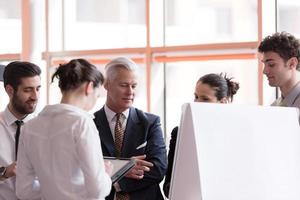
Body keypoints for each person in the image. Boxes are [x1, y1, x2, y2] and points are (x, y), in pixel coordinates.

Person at [16, 59, 112, 200]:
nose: (95, 101)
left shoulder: (30, 126)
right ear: (90, 87)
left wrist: (53, 192)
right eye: (97, 96)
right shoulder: (82, 122)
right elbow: (97, 189)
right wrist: (106, 176)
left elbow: (24, 191)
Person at [94, 57, 167, 200]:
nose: (130, 92)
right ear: (107, 84)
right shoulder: (89, 124)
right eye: (124, 85)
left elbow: (158, 168)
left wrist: (115, 179)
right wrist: (123, 168)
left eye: (134, 86)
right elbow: (87, 169)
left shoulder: (151, 123)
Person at [163, 73, 240, 198]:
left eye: (205, 99)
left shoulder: (235, 136)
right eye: (196, 97)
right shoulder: (179, 133)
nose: (197, 102)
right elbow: (168, 186)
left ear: (223, 102)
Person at [0, 61, 41, 200]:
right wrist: (5, 172)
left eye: (38, 88)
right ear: (10, 90)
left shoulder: (45, 128)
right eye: (28, 90)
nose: (35, 96)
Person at [258, 32, 300, 122]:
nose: (264, 71)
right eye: (265, 64)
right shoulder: (275, 107)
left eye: (271, 64)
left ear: (292, 63)